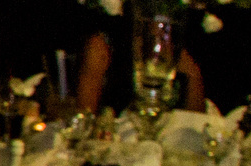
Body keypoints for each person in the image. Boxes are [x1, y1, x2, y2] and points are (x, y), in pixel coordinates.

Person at [73, 28, 206, 113]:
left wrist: (193, 77)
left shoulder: (180, 50)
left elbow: (195, 123)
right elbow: (84, 115)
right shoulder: (105, 47)